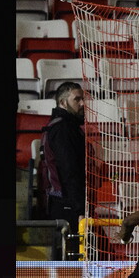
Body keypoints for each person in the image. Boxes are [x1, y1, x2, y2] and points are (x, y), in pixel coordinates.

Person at [40, 81, 86, 259]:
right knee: (76, 261)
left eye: (83, 99)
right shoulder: (63, 129)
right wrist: (80, 209)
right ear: (63, 102)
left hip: (65, 203)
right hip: (67, 205)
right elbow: (69, 171)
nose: (82, 103)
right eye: (77, 99)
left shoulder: (62, 126)